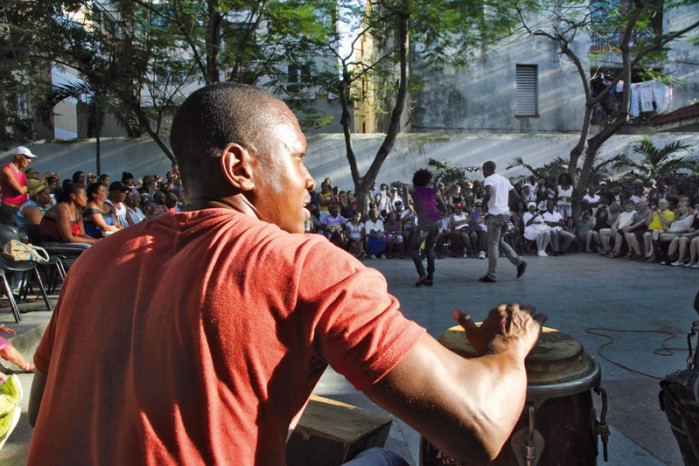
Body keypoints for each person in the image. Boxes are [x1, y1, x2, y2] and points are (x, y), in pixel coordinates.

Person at [27, 83, 544, 466]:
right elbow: (479, 425)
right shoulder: (304, 266)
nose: (309, 179)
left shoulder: (94, 261)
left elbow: (38, 410)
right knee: (386, 462)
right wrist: (508, 348)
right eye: (298, 157)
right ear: (240, 168)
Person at [480, 161, 527, 282]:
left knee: (492, 245)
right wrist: (505, 206)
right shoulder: (504, 180)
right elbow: (515, 197)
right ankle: (519, 262)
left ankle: (491, 275)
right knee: (499, 242)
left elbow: (488, 193)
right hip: (506, 215)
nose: (483, 173)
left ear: (488, 169)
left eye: (483, 170)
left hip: (495, 215)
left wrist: (483, 206)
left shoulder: (489, 179)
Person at [404, 169, 446, 286]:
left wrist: (408, 204)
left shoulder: (415, 190)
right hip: (437, 222)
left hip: (425, 224)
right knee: (430, 248)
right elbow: (445, 208)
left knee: (414, 249)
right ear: (428, 180)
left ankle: (422, 274)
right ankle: (430, 275)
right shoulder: (434, 191)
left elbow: (405, 187)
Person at [0, 146, 36, 226]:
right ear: (18, 156)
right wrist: (33, 183)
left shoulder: (21, 171)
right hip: (10, 210)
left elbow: (28, 189)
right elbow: (19, 190)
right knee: (12, 235)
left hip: (22, 208)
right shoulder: (6, 170)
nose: (29, 161)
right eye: (27, 157)